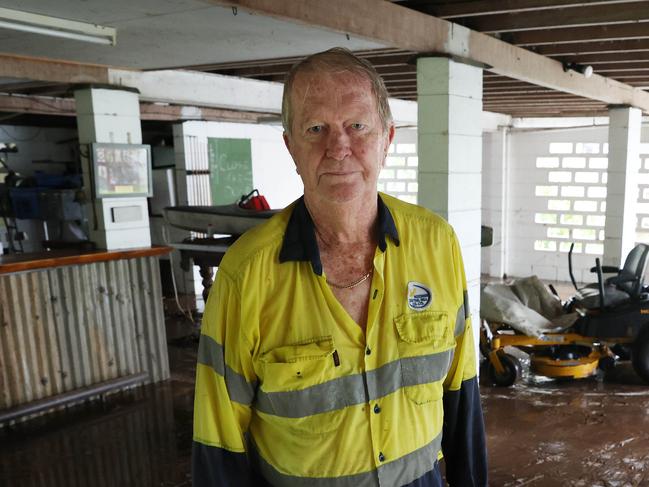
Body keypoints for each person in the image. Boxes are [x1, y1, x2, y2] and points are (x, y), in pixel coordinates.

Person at [192, 47, 487, 486]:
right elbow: (218, 441)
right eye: (316, 128)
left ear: (387, 138)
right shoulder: (247, 272)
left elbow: (462, 396)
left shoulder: (437, 243)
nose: (338, 147)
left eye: (357, 125)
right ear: (291, 146)